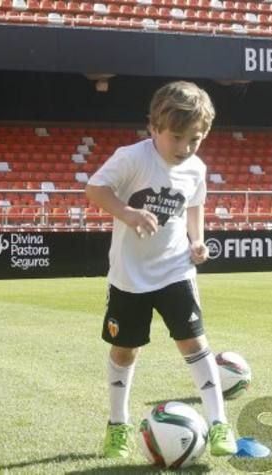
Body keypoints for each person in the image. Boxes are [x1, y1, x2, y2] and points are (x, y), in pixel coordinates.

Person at [86, 81, 237, 459]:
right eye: (177, 138)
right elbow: (95, 190)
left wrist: (196, 240)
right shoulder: (132, 158)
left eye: (195, 139)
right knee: (125, 350)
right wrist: (128, 212)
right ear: (153, 128)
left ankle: (219, 424)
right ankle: (118, 425)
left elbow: (194, 205)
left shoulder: (196, 168)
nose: (186, 148)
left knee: (195, 342)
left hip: (175, 270)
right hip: (129, 275)